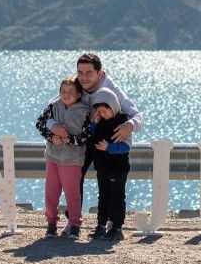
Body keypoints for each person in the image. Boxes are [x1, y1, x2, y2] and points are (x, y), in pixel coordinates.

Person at [51, 52, 145, 224]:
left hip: (106, 145)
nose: (83, 77)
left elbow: (138, 116)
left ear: (99, 74)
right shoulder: (75, 86)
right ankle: (73, 222)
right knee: (74, 179)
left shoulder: (112, 90)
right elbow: (52, 108)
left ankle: (111, 223)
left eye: (89, 73)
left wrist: (129, 125)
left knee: (110, 186)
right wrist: (53, 127)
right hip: (82, 143)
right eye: (80, 72)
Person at [34, 76, 89, 240]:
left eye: (71, 92)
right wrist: (52, 137)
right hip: (52, 157)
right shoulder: (53, 106)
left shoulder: (85, 111)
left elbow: (87, 137)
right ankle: (51, 224)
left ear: (79, 94)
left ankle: (75, 226)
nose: (66, 94)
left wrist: (69, 139)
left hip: (73, 160)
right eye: (63, 91)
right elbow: (40, 123)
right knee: (51, 194)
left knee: (72, 195)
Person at [87, 88, 132, 240]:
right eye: (99, 111)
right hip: (102, 167)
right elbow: (93, 136)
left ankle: (116, 227)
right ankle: (101, 225)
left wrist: (109, 148)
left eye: (104, 111)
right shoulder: (100, 122)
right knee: (103, 196)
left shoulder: (122, 122)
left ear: (112, 107)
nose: (102, 114)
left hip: (117, 167)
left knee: (117, 196)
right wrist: (95, 123)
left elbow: (126, 146)